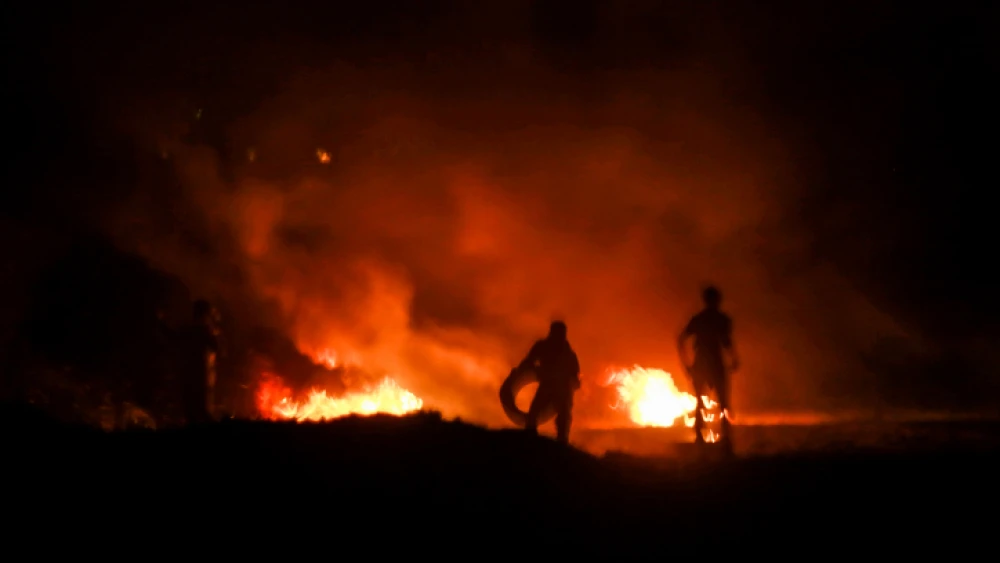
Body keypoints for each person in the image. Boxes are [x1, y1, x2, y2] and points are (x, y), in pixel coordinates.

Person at [677, 285, 739, 446]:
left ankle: (705, 437)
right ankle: (723, 438)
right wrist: (733, 358)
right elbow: (727, 342)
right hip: (712, 363)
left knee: (705, 401)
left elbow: (681, 339)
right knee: (720, 402)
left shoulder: (701, 319)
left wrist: (687, 365)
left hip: (705, 363)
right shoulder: (720, 319)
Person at [518, 321, 581, 445]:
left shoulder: (568, 353)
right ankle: (530, 434)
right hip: (548, 384)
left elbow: (575, 374)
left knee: (563, 415)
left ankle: (561, 440)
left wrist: (574, 382)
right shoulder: (544, 346)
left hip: (562, 388)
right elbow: (529, 361)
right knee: (535, 410)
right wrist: (520, 371)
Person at [179, 299, 221, 424]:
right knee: (202, 409)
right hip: (201, 374)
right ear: (205, 314)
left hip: (187, 373)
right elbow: (215, 346)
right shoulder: (203, 329)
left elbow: (174, 339)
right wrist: (214, 332)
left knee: (191, 409)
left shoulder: (187, 329)